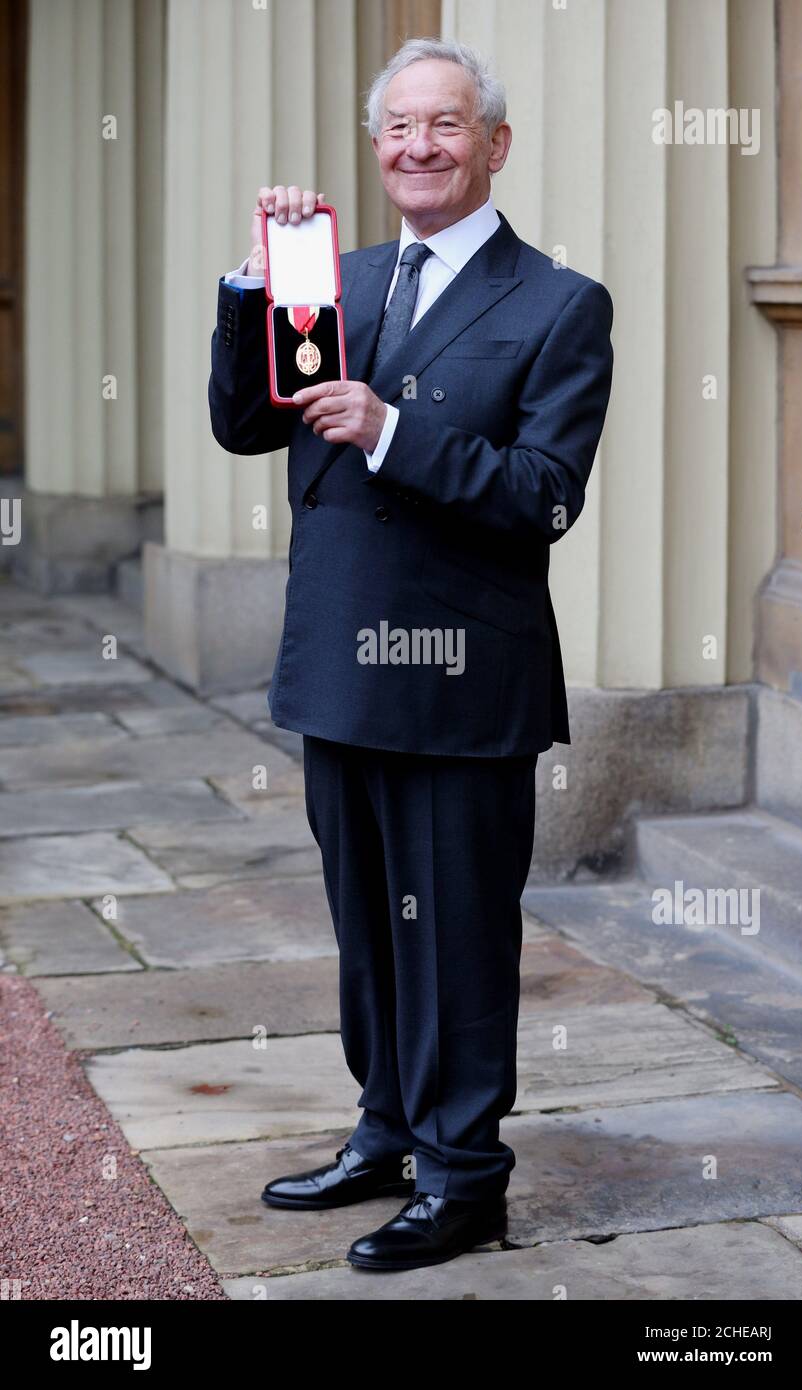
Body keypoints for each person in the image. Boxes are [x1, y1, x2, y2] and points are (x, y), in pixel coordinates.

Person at [209, 37, 613, 1273]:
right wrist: (251, 286)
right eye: (397, 128)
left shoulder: (559, 302)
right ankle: (385, 1131)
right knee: (367, 929)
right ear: (376, 146)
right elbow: (241, 425)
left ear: (494, 144)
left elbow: (545, 494)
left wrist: (393, 431)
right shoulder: (337, 275)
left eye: (445, 125)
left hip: (460, 675)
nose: (418, 147)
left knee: (454, 937)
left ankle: (465, 1179)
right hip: (340, 660)